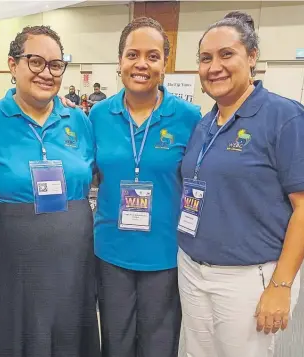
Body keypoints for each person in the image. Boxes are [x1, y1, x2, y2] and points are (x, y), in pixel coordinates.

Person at [177, 11, 304, 357]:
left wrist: (281, 285)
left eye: (227, 54)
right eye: (205, 58)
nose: (215, 66)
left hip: (248, 277)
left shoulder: (285, 117)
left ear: (252, 57)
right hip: (194, 270)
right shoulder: (205, 124)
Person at [0, 25, 100, 357]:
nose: (46, 72)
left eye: (55, 64)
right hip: (9, 270)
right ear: (12, 65)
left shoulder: (79, 122)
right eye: (35, 62)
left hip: (73, 267)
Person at [90, 17, 201, 357]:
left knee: (159, 347)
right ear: (119, 61)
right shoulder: (97, 115)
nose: (141, 64)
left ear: (164, 64)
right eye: (132, 54)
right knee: (116, 345)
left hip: (165, 255)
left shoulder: (189, 117)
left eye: (152, 56)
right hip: (110, 252)